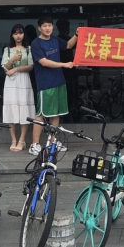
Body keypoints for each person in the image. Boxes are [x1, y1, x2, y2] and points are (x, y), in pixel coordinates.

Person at [28, 16, 78, 155]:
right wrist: (64, 64)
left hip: (59, 82)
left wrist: (77, 34)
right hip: (45, 84)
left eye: (49, 25)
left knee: (55, 114)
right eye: (44, 26)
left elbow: (68, 45)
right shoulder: (36, 43)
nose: (47, 28)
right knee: (41, 114)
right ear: (39, 28)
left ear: (52, 27)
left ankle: (52, 143)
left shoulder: (55, 40)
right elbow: (43, 62)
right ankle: (34, 145)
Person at [2, 24, 35, 152]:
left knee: (24, 109)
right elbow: (5, 67)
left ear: (24, 34)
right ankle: (13, 140)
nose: (18, 36)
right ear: (12, 35)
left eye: (20, 33)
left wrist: (16, 69)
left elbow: (31, 66)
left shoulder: (28, 49)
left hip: (23, 80)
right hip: (10, 82)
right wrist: (12, 59)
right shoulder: (7, 50)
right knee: (11, 109)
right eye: (15, 33)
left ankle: (22, 140)